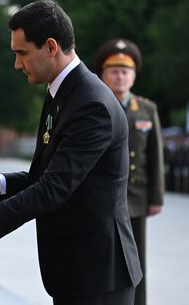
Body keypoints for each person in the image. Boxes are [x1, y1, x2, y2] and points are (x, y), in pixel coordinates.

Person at [0, 0, 142, 304]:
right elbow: (50, 175)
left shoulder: (91, 104)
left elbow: (53, 189)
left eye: (22, 53)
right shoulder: (63, 91)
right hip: (78, 270)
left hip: (99, 275)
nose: (17, 64)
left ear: (51, 47)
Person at [94, 38, 164, 305]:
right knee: (103, 257)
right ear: (103, 74)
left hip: (134, 199)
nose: (120, 76)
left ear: (133, 77)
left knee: (136, 260)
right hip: (102, 199)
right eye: (114, 71)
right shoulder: (95, 105)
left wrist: (155, 197)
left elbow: (154, 155)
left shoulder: (147, 110)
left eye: (125, 71)